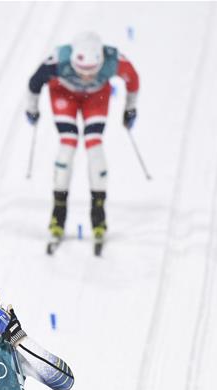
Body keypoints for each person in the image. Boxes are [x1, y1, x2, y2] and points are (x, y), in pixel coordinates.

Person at [25, 31, 139, 243]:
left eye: (92, 71)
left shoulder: (113, 60)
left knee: (94, 143)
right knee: (68, 143)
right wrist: (32, 109)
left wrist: (130, 109)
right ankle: (58, 213)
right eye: (81, 71)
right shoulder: (59, 59)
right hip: (63, 93)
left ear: (101, 61)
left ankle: (98, 213)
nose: (86, 77)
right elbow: (34, 83)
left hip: (96, 97)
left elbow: (133, 80)